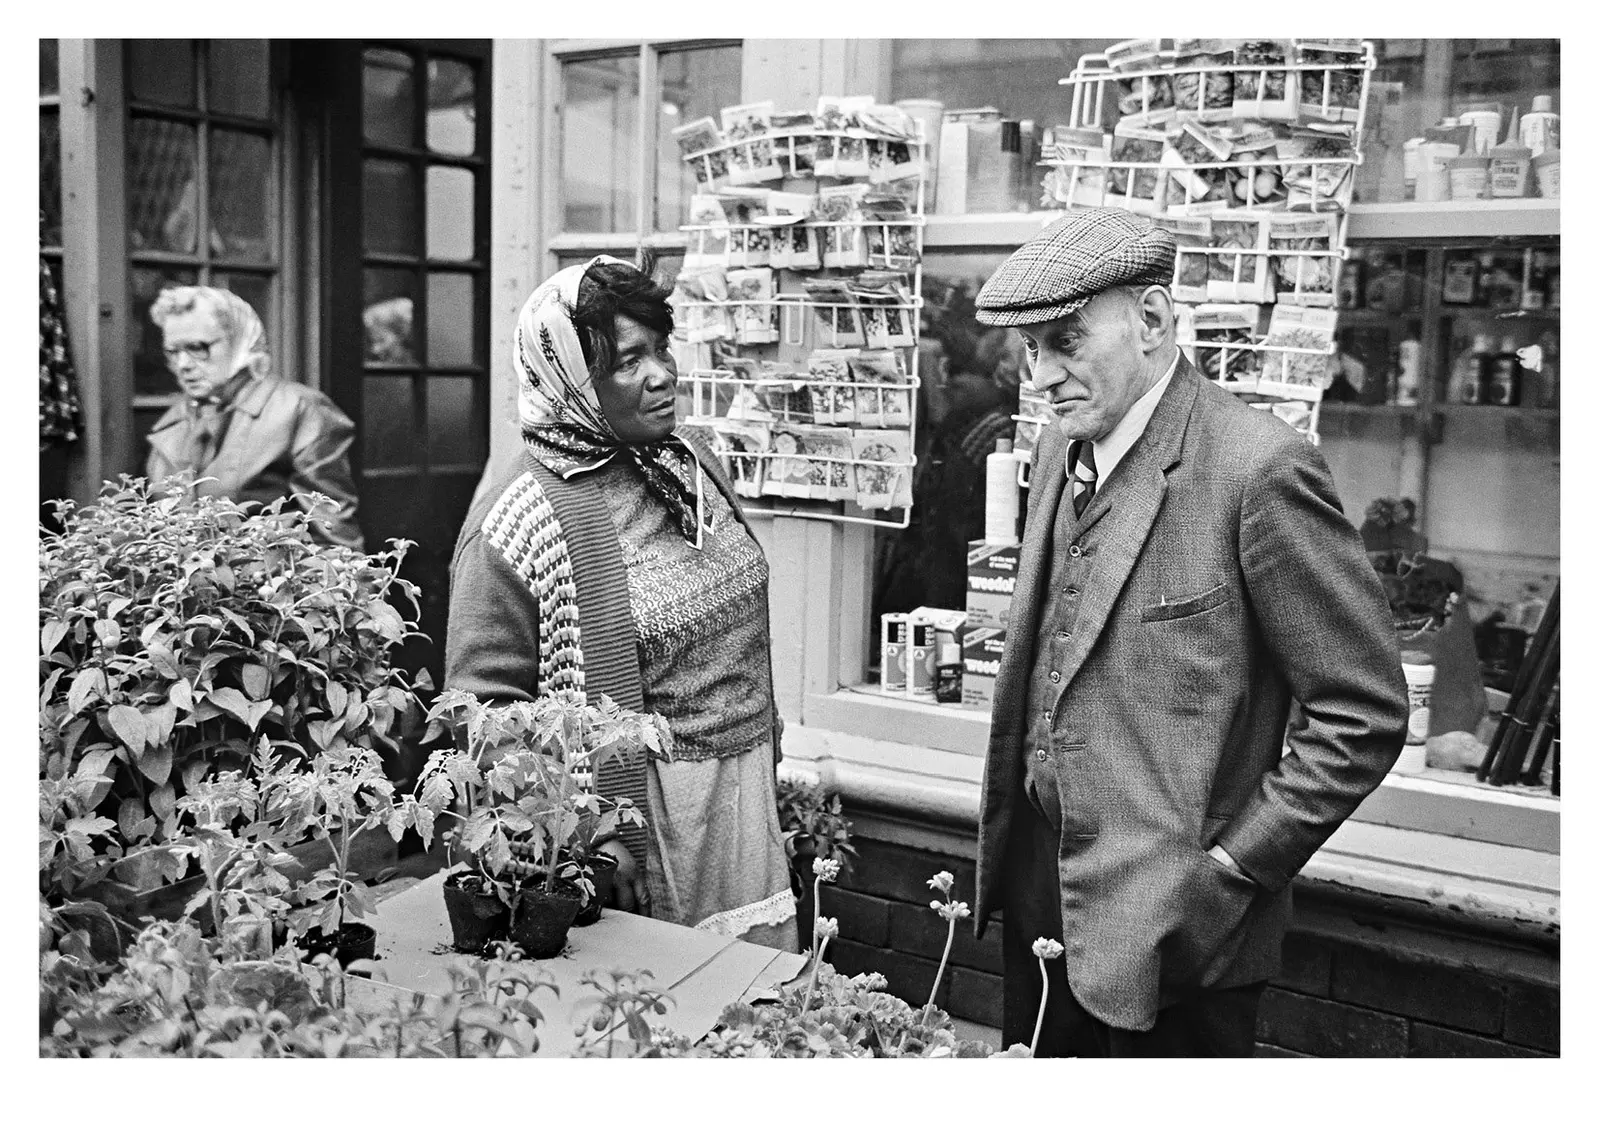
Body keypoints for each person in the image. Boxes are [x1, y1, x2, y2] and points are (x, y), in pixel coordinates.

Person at [969, 208, 1408, 1057]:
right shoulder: (1065, 449)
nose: (1044, 377)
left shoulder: (1259, 468)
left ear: (1154, 319)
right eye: (1030, 352)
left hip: (1179, 925)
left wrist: (1230, 873)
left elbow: (1362, 713)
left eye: (1065, 341)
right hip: (1039, 891)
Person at [444, 255, 798, 951]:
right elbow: (485, 718)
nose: (663, 373)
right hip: (651, 818)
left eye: (661, 348)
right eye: (629, 361)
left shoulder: (687, 461)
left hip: (743, 793)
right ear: (571, 381)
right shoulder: (518, 523)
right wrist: (589, 834)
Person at [145, 286, 364, 550]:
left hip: (272, 587)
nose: (183, 364)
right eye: (172, 352)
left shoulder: (299, 410)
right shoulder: (175, 421)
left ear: (240, 341)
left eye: (197, 348)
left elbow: (334, 539)